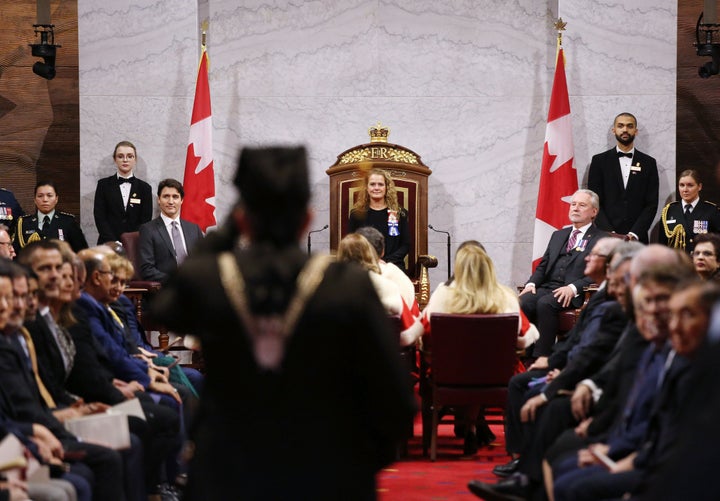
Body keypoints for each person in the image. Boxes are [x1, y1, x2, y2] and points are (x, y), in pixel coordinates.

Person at [150, 145, 417, 500]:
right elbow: (395, 404)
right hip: (326, 474)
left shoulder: (213, 279)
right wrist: (355, 462)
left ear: (243, 219)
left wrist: (224, 234)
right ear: (307, 219)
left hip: (229, 476)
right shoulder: (347, 284)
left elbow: (162, 308)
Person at [494, 237, 625, 479]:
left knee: (529, 389)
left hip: (586, 377)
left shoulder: (614, 302)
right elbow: (573, 339)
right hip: (568, 365)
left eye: (594, 255)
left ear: (610, 264)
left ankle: (529, 471)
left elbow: (596, 350)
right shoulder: (601, 294)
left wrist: (560, 369)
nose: (587, 257)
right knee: (519, 382)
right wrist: (553, 360)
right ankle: (519, 457)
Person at [420, 242, 539, 456]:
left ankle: (469, 426)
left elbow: (425, 334)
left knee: (459, 364)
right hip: (497, 377)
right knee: (486, 364)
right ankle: (474, 425)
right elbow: (525, 337)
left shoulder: (442, 295)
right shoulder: (506, 297)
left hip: (450, 376)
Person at [519, 189, 607, 357]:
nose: (575, 208)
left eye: (582, 205)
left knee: (545, 303)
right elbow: (543, 266)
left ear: (594, 212)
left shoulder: (600, 238)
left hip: (574, 292)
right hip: (547, 286)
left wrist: (573, 288)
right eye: (573, 204)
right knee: (523, 302)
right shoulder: (558, 235)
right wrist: (531, 284)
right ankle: (525, 354)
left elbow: (599, 273)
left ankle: (541, 358)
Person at [336, 233, 422, 346]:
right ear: (369, 253)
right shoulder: (387, 286)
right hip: (380, 357)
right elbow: (407, 335)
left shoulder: (328, 287)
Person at [587, 112, 659, 243]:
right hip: (606, 238)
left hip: (638, 239)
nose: (625, 130)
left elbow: (651, 204)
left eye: (629, 126)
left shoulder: (649, 163)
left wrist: (634, 233)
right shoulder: (599, 161)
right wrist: (610, 233)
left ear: (636, 131)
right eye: (621, 126)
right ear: (614, 130)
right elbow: (594, 202)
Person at [138, 179, 203, 283]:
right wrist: (176, 281)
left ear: (182, 200)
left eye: (175, 197)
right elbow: (147, 270)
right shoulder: (148, 230)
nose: (171, 201)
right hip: (167, 290)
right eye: (166, 196)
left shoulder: (194, 229)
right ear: (159, 200)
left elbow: (203, 261)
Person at [347, 168, 410, 271]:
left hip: (392, 266)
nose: (376, 188)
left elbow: (405, 245)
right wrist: (371, 261)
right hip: (364, 266)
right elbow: (351, 244)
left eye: (380, 184)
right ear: (366, 188)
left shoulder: (399, 213)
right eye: (372, 184)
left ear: (387, 188)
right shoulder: (356, 214)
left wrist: (386, 261)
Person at [93, 141, 153, 244]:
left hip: (135, 244)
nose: (125, 160)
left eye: (130, 156)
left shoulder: (145, 188)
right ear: (115, 159)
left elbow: (146, 220)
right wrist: (113, 241)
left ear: (135, 160)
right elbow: (100, 217)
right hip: (108, 244)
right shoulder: (103, 185)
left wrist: (131, 241)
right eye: (120, 156)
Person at [12, 182, 88, 253]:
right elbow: (16, 253)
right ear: (35, 200)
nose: (45, 200)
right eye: (40, 196)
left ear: (56, 199)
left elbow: (81, 251)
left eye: (49, 195)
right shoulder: (24, 223)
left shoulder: (68, 221)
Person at [658, 169, 720, 253]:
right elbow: (662, 245)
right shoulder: (669, 211)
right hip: (677, 262)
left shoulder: (711, 211)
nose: (685, 189)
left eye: (690, 185)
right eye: (681, 185)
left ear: (699, 187)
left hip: (700, 261)